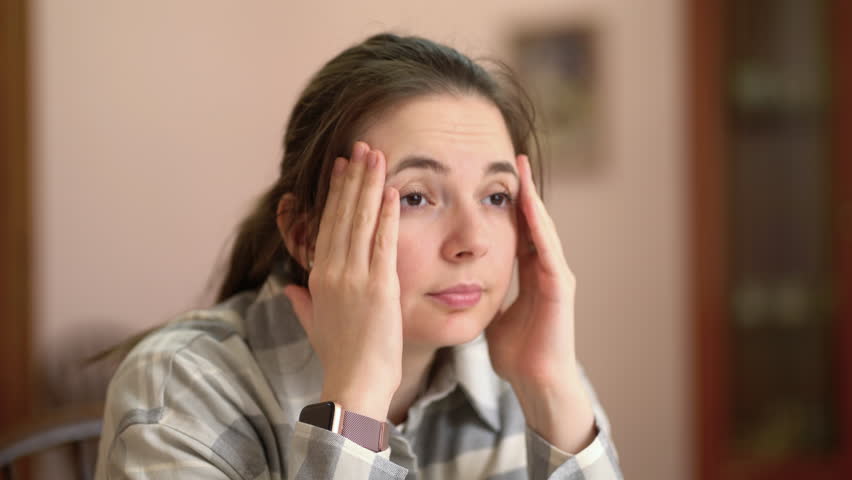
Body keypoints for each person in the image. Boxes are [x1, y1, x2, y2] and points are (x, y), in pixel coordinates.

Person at [94, 33, 623, 479]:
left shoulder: (528, 372)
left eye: (496, 196)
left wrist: (552, 391)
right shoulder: (183, 386)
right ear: (306, 235)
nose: (473, 242)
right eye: (416, 197)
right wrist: (358, 398)